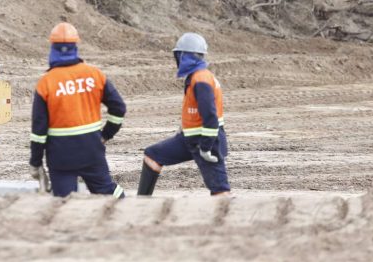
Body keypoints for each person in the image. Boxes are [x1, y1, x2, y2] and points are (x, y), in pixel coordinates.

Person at [30, 22, 127, 198]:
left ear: (53, 47)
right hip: (91, 149)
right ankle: (126, 210)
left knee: (65, 202)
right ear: (76, 45)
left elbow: (39, 130)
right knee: (108, 192)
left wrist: (35, 162)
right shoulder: (94, 75)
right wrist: (106, 135)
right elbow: (119, 108)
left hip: (60, 155)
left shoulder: (46, 83)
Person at [137, 32, 230, 196]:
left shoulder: (201, 79)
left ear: (183, 56)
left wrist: (206, 148)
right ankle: (142, 204)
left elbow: (210, 118)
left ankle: (233, 218)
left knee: (220, 191)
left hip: (206, 142)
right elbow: (194, 111)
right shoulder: (195, 77)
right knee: (152, 155)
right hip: (189, 139)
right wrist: (183, 130)